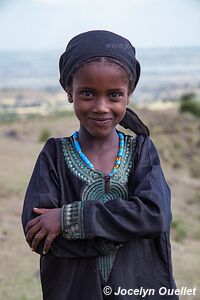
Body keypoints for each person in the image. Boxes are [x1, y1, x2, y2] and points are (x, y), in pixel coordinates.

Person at [22, 30, 178, 300]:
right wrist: (127, 229)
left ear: (128, 96)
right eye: (88, 93)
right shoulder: (53, 156)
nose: (101, 107)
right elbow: (39, 234)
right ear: (70, 92)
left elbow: (155, 216)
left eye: (114, 95)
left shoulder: (141, 150)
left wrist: (68, 219)